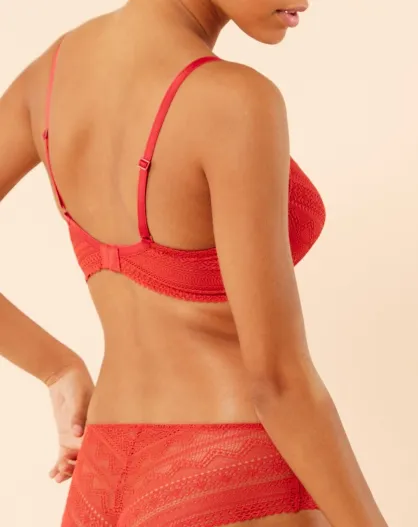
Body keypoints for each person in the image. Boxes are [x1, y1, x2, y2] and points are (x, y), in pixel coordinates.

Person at [0, 1, 389, 526]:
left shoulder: (47, 79)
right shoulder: (234, 100)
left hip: (100, 480)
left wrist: (57, 368)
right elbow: (278, 383)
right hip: (230, 471)